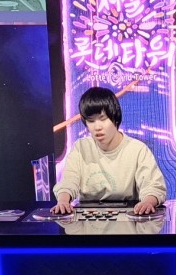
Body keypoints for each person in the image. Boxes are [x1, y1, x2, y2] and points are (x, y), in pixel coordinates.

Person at [51, 87, 166, 215]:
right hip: (89, 218)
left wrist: (148, 202)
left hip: (129, 217)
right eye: (91, 121)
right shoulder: (80, 148)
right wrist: (63, 201)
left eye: (103, 119)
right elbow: (68, 181)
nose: (97, 127)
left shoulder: (137, 149)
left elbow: (153, 186)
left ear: (115, 118)